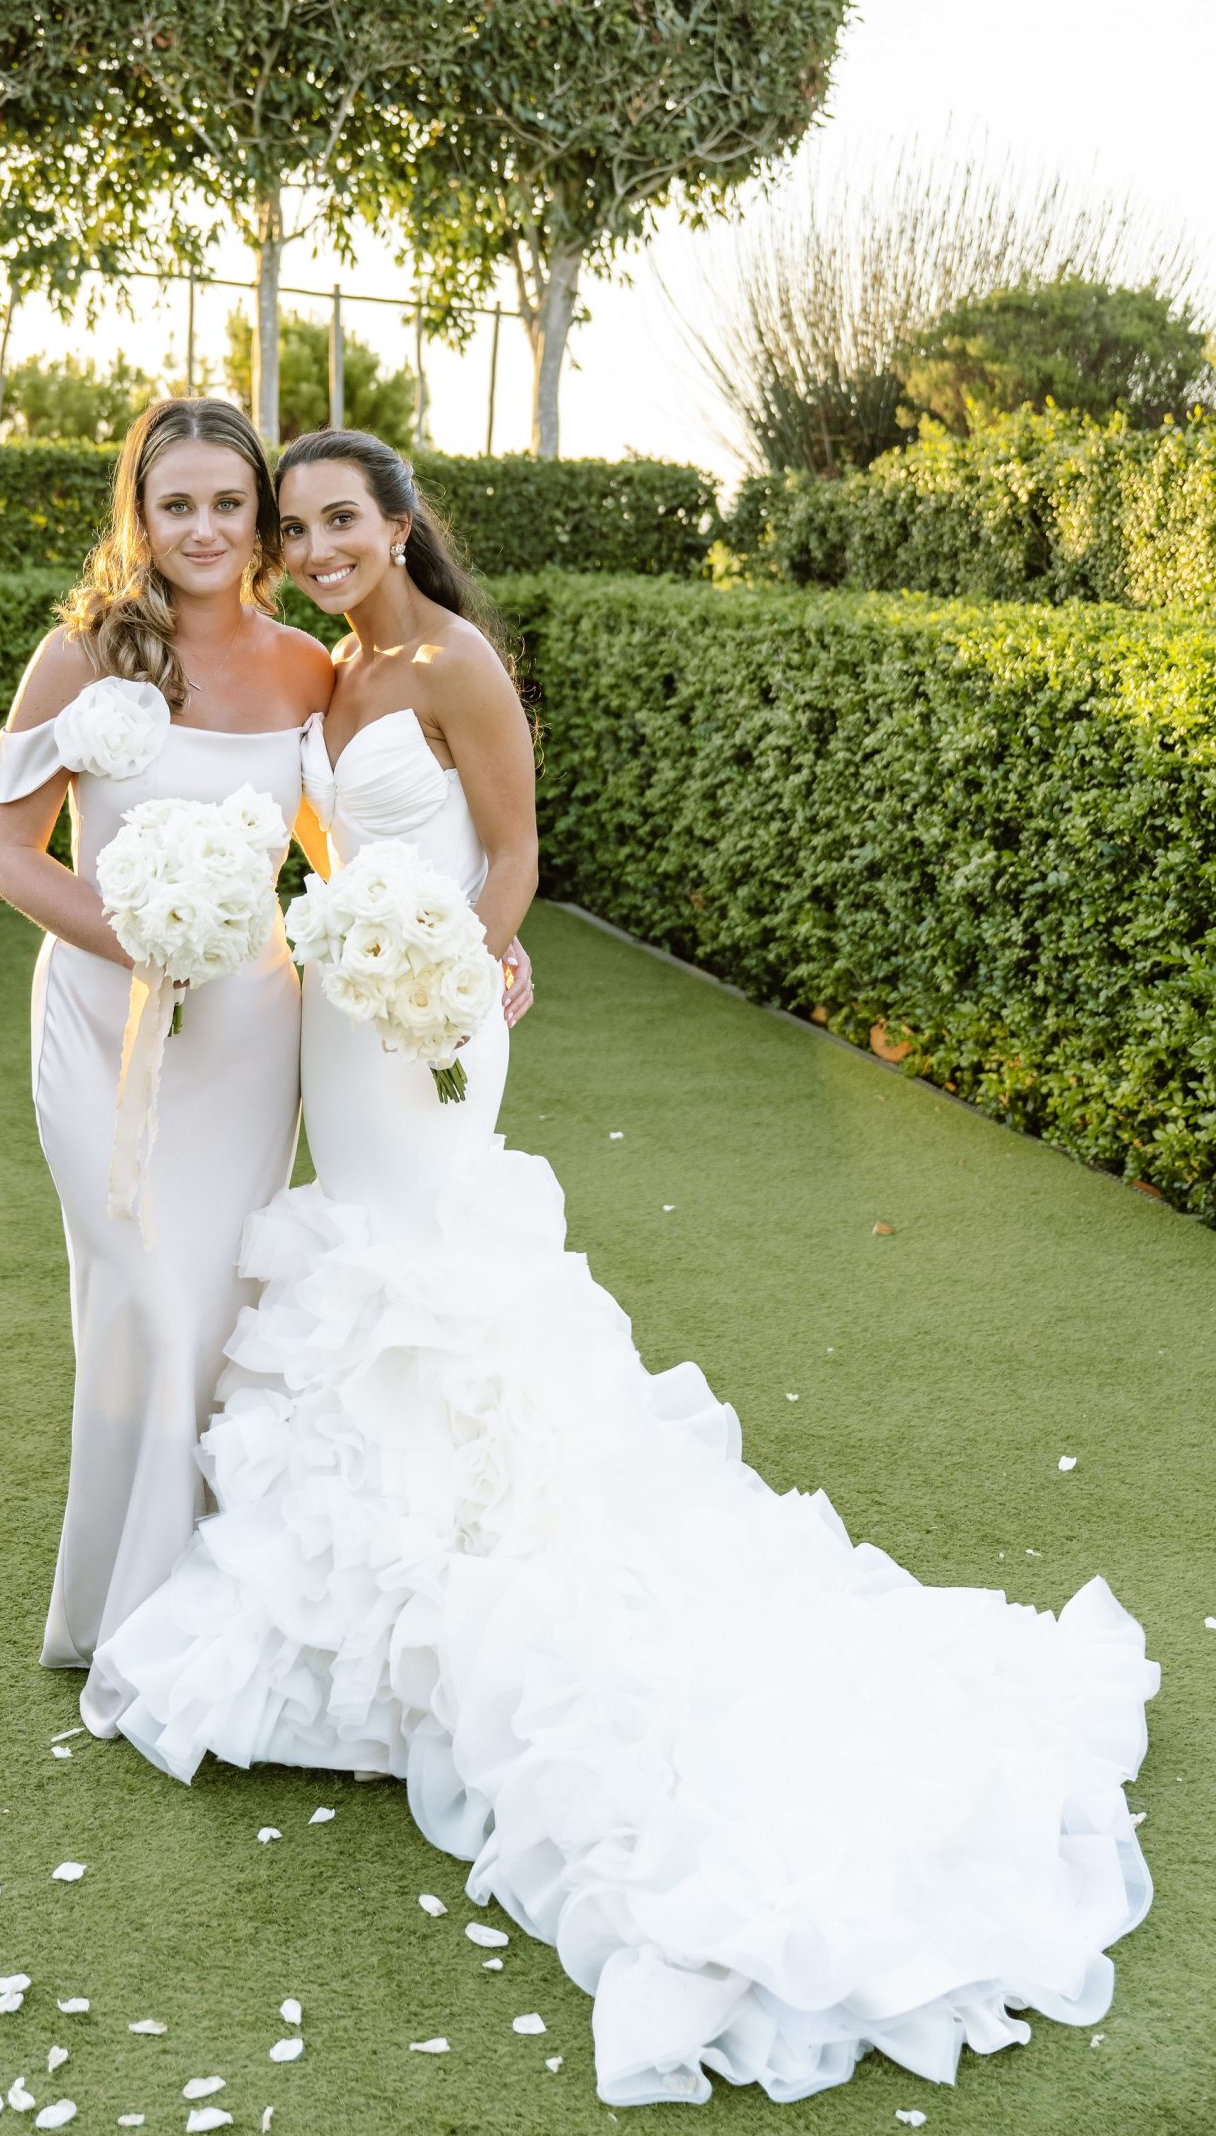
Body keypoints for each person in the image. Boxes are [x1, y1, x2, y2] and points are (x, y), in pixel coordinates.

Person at [89, 428, 1159, 2112]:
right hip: (338, 1019)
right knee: (367, 1274)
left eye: (337, 520)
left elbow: (512, 853)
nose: (312, 547)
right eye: (294, 528)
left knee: (435, 1277)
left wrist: (474, 964)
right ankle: (392, 1585)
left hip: (425, 1020)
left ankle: (493, 1566)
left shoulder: (453, 662)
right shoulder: (345, 670)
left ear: (403, 523)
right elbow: (324, 839)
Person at [0, 396, 331, 1735]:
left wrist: (459, 938)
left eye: (225, 505)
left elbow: (345, 844)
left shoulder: (307, 671)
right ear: (140, 513)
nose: (200, 528)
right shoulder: (78, 660)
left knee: (220, 1302)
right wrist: (137, 943)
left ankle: (213, 1588)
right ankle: (121, 1608)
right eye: (173, 503)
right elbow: (12, 855)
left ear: (261, 521)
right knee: (140, 1297)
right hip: (99, 1017)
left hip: (248, 1035)